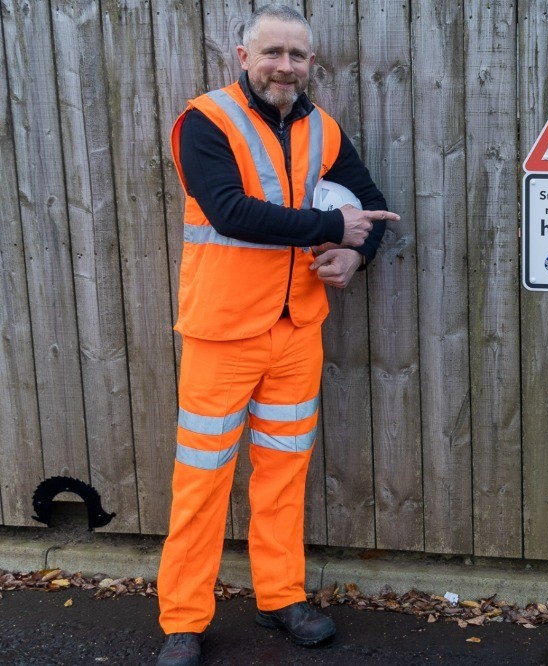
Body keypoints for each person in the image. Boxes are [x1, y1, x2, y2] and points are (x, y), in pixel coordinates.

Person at [155, 5, 398, 665]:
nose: (284, 66)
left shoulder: (323, 128)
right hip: (222, 333)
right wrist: (330, 231)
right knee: (201, 480)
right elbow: (231, 212)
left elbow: (367, 202)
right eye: (272, 53)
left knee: (284, 475)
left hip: (297, 332)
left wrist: (358, 254)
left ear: (310, 63)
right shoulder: (204, 121)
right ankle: (182, 618)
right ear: (243, 57)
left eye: (297, 55)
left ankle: (281, 596)